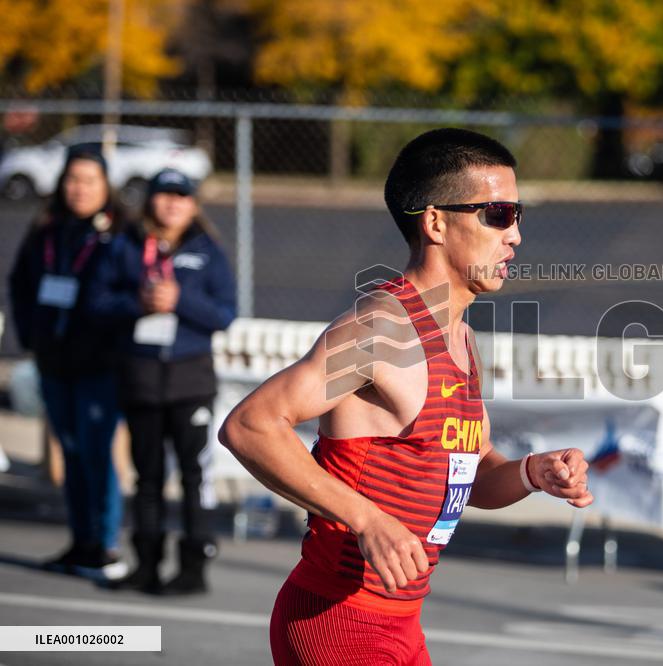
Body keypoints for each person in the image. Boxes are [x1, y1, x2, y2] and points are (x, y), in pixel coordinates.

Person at [219, 128, 593, 665]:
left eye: (518, 215)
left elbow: (471, 478)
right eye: (498, 214)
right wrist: (367, 519)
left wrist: (533, 473)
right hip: (337, 620)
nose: (515, 236)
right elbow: (250, 426)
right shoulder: (383, 331)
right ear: (436, 221)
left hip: (401, 623)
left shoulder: (460, 337)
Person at [89, 168, 236, 595]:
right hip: (141, 378)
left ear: (193, 204)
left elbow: (225, 313)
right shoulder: (125, 246)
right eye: (164, 195)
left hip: (190, 380)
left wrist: (180, 300)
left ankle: (193, 568)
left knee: (193, 475)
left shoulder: (208, 251)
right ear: (150, 200)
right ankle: (146, 563)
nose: (172, 203)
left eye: (182, 196)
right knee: (147, 476)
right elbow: (98, 302)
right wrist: (137, 302)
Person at [8, 145, 128, 580]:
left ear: (105, 184)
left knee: (98, 452)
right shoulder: (48, 228)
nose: (79, 189)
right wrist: (30, 333)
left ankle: (107, 545)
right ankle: (81, 542)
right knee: (72, 452)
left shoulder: (120, 232)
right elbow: (20, 280)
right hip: (54, 361)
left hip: (100, 365)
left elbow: (134, 292)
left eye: (89, 180)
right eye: (72, 180)